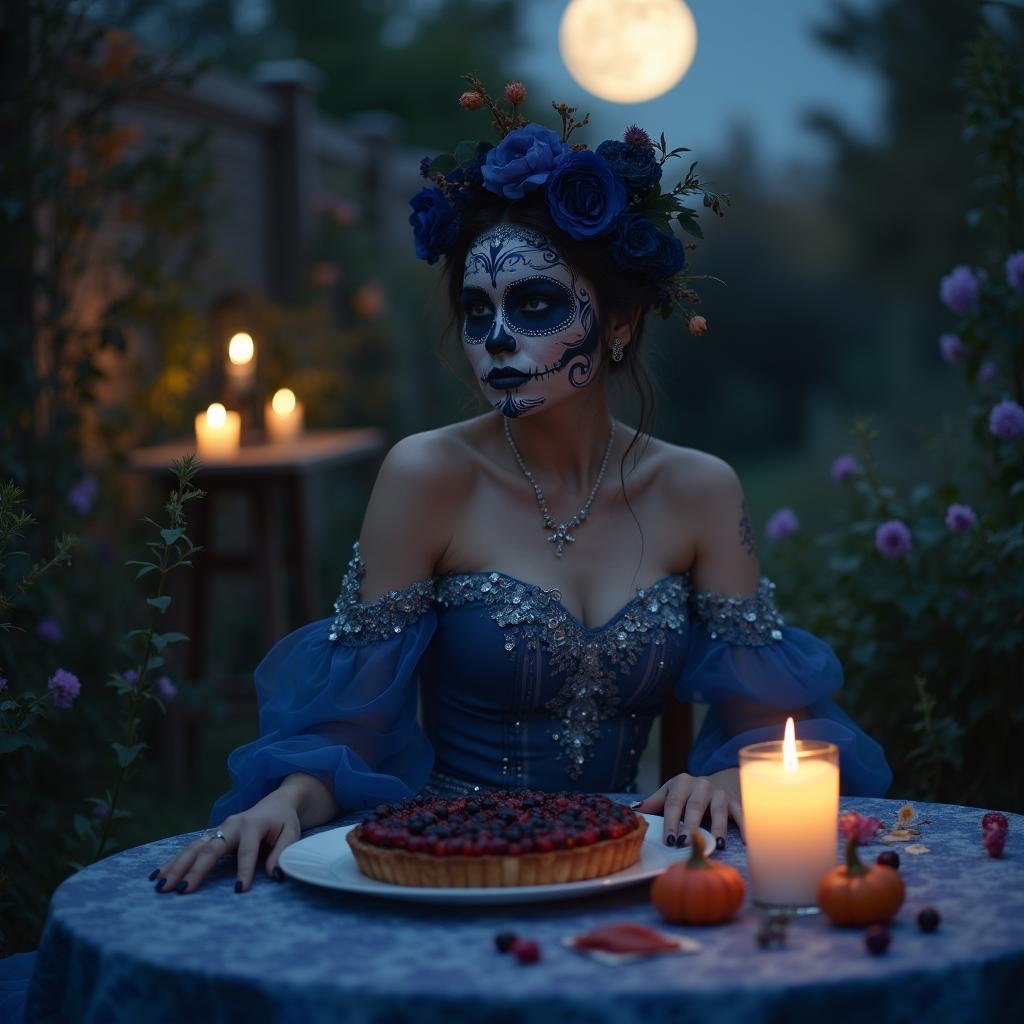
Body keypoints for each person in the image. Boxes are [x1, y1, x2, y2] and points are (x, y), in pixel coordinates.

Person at [151, 84, 892, 897]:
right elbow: (353, 726)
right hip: (452, 874)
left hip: (630, 870)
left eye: (535, 304)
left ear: (618, 324)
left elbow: (771, 723)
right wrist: (287, 800)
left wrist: (729, 781)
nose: (498, 339)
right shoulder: (428, 476)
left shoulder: (698, 490)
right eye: (478, 310)